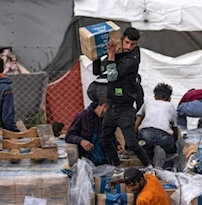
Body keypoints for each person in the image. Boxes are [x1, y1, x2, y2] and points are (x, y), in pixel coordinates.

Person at [101, 27, 152, 168]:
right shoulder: (119, 52)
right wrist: (109, 54)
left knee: (131, 143)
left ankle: (149, 167)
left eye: (133, 44)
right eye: (127, 42)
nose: (129, 47)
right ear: (122, 39)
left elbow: (112, 76)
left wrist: (111, 55)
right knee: (105, 139)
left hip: (125, 108)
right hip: (111, 106)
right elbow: (100, 68)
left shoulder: (133, 58)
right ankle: (116, 166)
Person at [135, 83, 178, 168]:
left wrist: (136, 134)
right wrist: (175, 139)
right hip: (164, 136)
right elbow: (175, 127)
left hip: (145, 134)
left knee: (146, 151)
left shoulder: (148, 103)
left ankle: (148, 168)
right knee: (171, 153)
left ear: (155, 96)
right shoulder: (171, 106)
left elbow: (138, 120)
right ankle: (167, 169)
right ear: (169, 98)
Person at [66, 95, 111, 165]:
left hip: (105, 162)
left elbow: (110, 137)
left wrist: (117, 145)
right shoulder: (83, 116)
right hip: (87, 162)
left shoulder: (108, 120)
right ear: (104, 106)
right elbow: (69, 136)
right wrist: (81, 141)